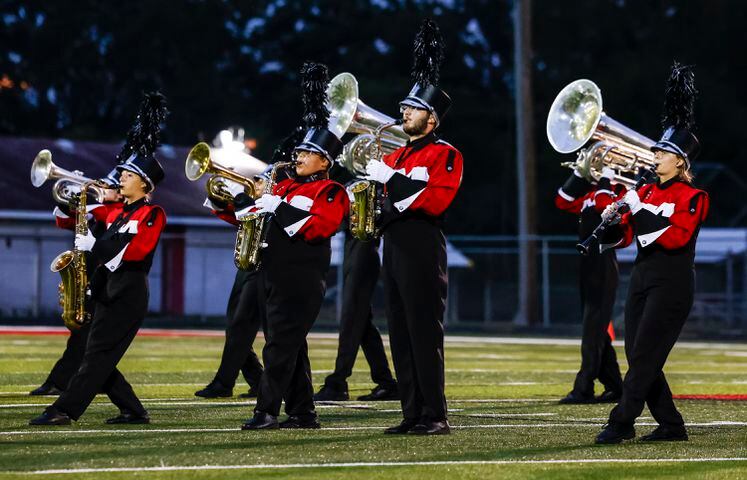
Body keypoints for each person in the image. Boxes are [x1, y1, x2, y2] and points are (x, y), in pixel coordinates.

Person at [29, 93, 168, 426]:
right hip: (107, 288)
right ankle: (133, 410)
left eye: (128, 175)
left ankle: (63, 409)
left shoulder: (152, 213)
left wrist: (96, 245)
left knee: (95, 355)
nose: (121, 178)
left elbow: (136, 250)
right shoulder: (120, 215)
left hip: (129, 291)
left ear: (144, 183)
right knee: (98, 354)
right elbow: (76, 223)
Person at [596, 63, 709, 444]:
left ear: (680, 161)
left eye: (664, 151)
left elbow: (674, 238)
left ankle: (621, 420)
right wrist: (609, 223)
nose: (656, 155)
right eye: (657, 149)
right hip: (642, 275)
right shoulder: (643, 192)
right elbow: (629, 237)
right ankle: (671, 425)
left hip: (673, 278)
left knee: (645, 354)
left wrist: (637, 209)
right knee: (639, 354)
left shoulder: (694, 197)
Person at [364, 19, 463, 435]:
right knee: (400, 333)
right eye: (404, 107)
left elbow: (434, 200)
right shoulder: (398, 156)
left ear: (432, 118)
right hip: (394, 246)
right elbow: (387, 201)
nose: (403, 112)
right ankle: (411, 412)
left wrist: (387, 181)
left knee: (424, 332)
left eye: (413, 108)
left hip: (423, 244)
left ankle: (434, 415)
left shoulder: (445, 154)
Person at [240, 63, 348, 430]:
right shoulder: (285, 187)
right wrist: (235, 201)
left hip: (301, 278)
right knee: (291, 347)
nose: (298, 156)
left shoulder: (330, 191)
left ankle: (265, 411)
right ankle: (303, 412)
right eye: (298, 150)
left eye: (306, 152)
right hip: (270, 273)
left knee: (279, 347)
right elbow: (250, 218)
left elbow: (320, 227)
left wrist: (278, 206)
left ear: (325, 160)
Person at [31, 175, 123, 396]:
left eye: (108, 186)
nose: (102, 188)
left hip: (108, 283)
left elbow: (103, 213)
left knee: (86, 338)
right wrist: (67, 199)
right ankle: (95, 381)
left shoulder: (118, 212)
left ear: (120, 192)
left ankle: (59, 381)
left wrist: (82, 195)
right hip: (88, 277)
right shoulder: (99, 213)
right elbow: (65, 220)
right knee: (90, 340)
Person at [314, 166, 398, 402]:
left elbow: (380, 216)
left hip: (365, 252)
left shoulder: (377, 185)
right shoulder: (352, 181)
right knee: (362, 325)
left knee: (351, 318)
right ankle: (386, 382)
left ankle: (338, 381)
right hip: (353, 250)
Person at [554, 166, 625, 404]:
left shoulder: (619, 192)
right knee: (596, 330)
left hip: (604, 264)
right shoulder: (591, 193)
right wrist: (579, 173)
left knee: (592, 331)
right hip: (588, 265)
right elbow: (562, 201)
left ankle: (583, 387)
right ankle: (615, 386)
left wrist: (607, 177)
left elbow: (606, 209)